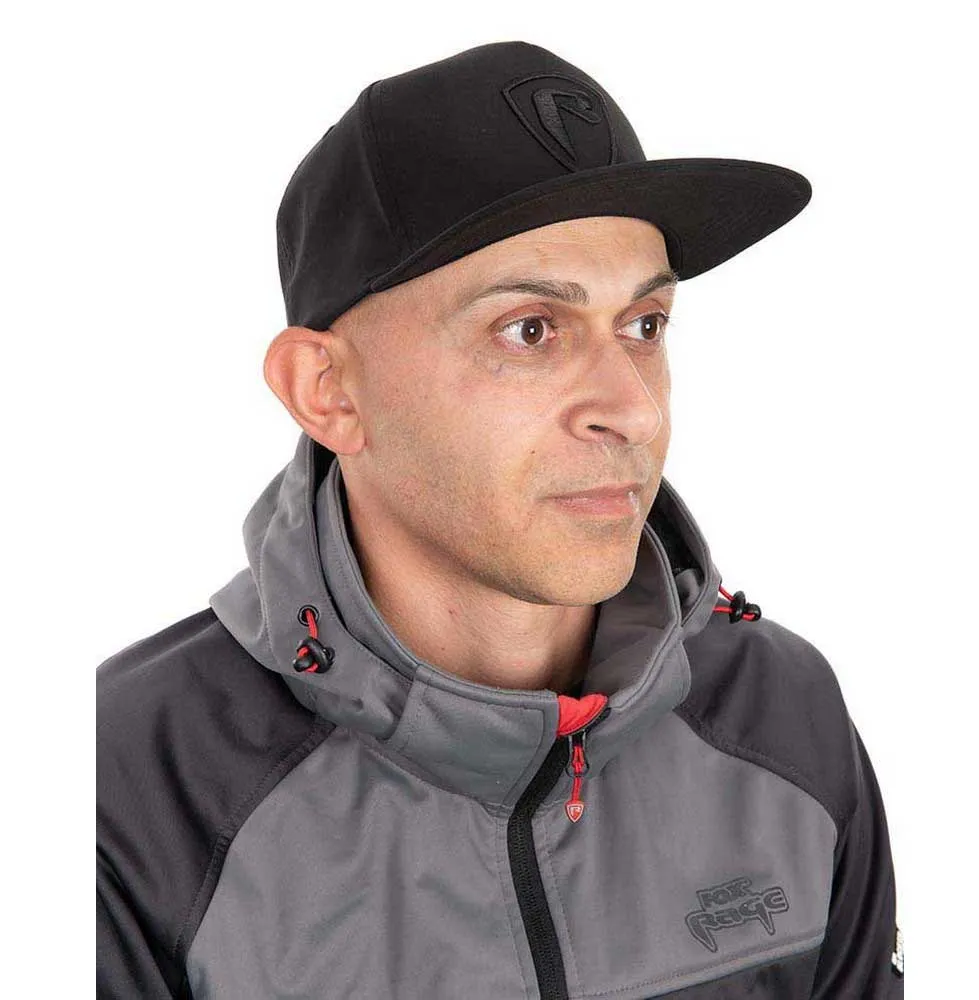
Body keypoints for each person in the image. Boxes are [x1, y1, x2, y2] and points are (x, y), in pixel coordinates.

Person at [96, 39, 903, 999]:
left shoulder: (781, 718)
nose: (633, 409)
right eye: (531, 330)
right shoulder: (128, 785)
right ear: (328, 391)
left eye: (644, 325)